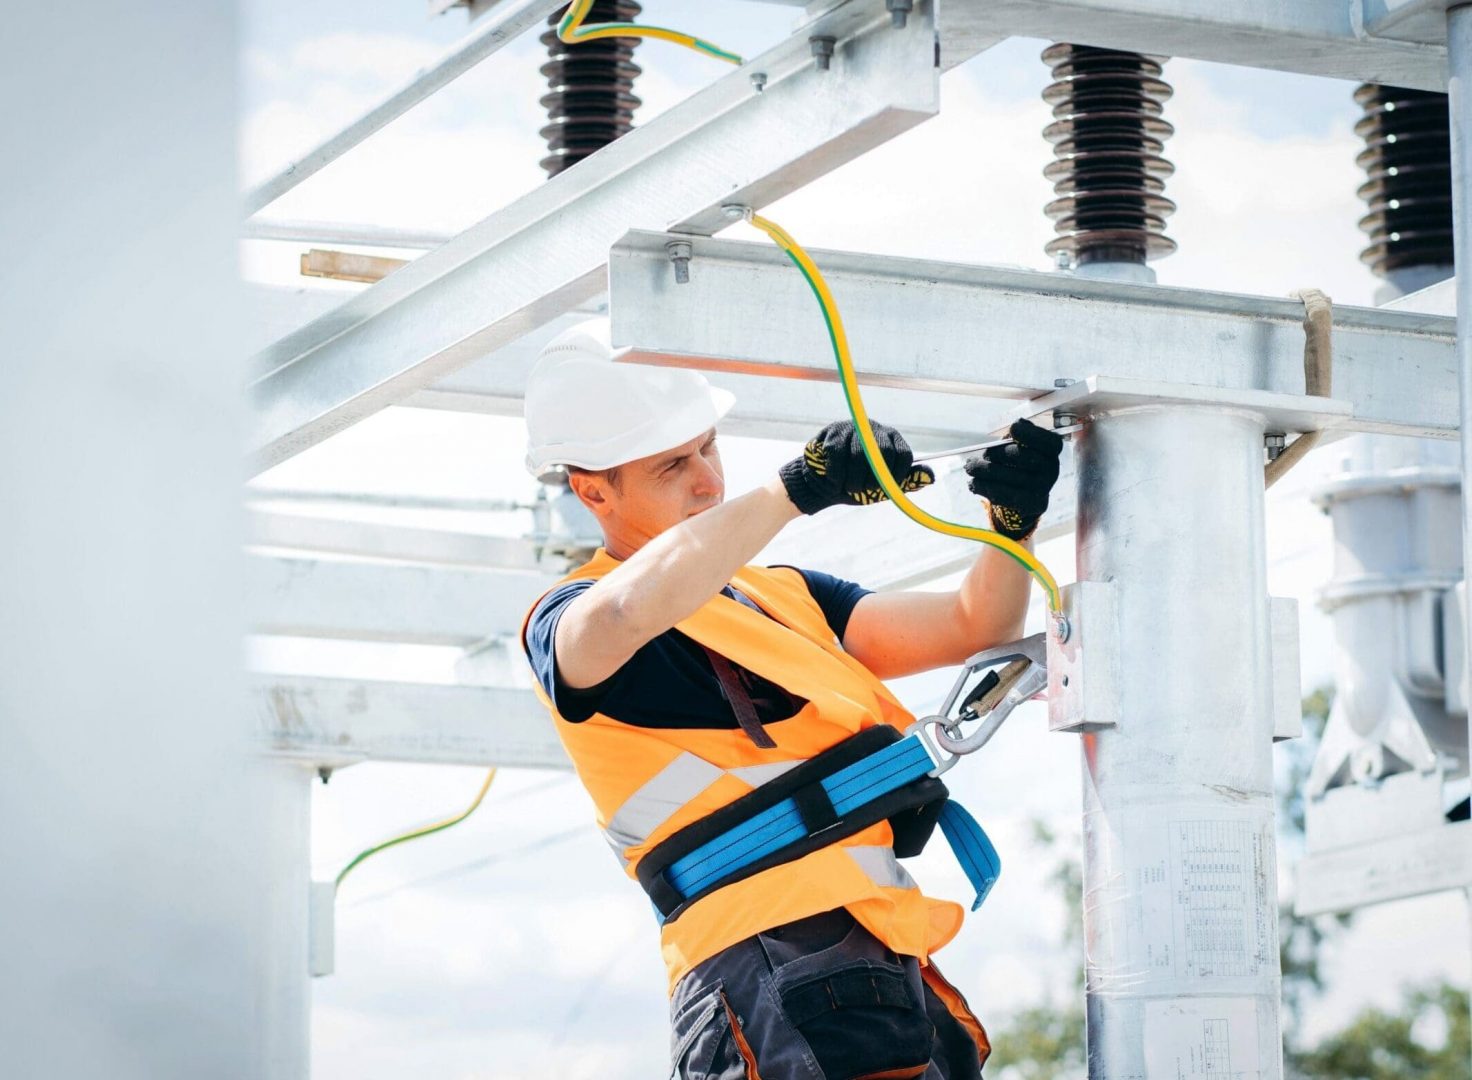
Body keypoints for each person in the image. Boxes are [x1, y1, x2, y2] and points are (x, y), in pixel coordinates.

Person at [520, 320, 1063, 1079]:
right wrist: (794, 490)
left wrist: (1011, 526)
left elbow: (975, 624)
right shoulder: (570, 617)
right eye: (673, 464)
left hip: (877, 956)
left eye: (709, 446)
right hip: (761, 965)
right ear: (591, 490)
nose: (708, 480)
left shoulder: (781, 595)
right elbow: (622, 615)